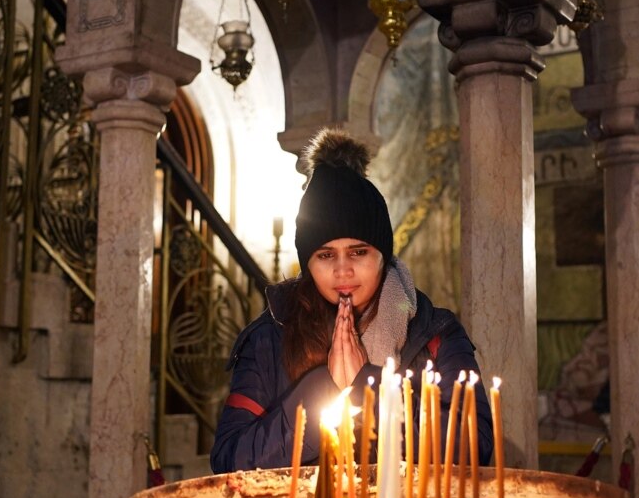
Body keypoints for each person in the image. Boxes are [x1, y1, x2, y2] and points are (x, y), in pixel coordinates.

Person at [211, 129, 494, 473]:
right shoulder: (272, 334)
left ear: (382, 255)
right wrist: (323, 388)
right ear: (307, 262)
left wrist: (368, 386)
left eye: (358, 252)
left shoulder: (433, 331)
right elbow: (230, 459)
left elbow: (474, 445)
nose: (343, 271)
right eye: (326, 255)